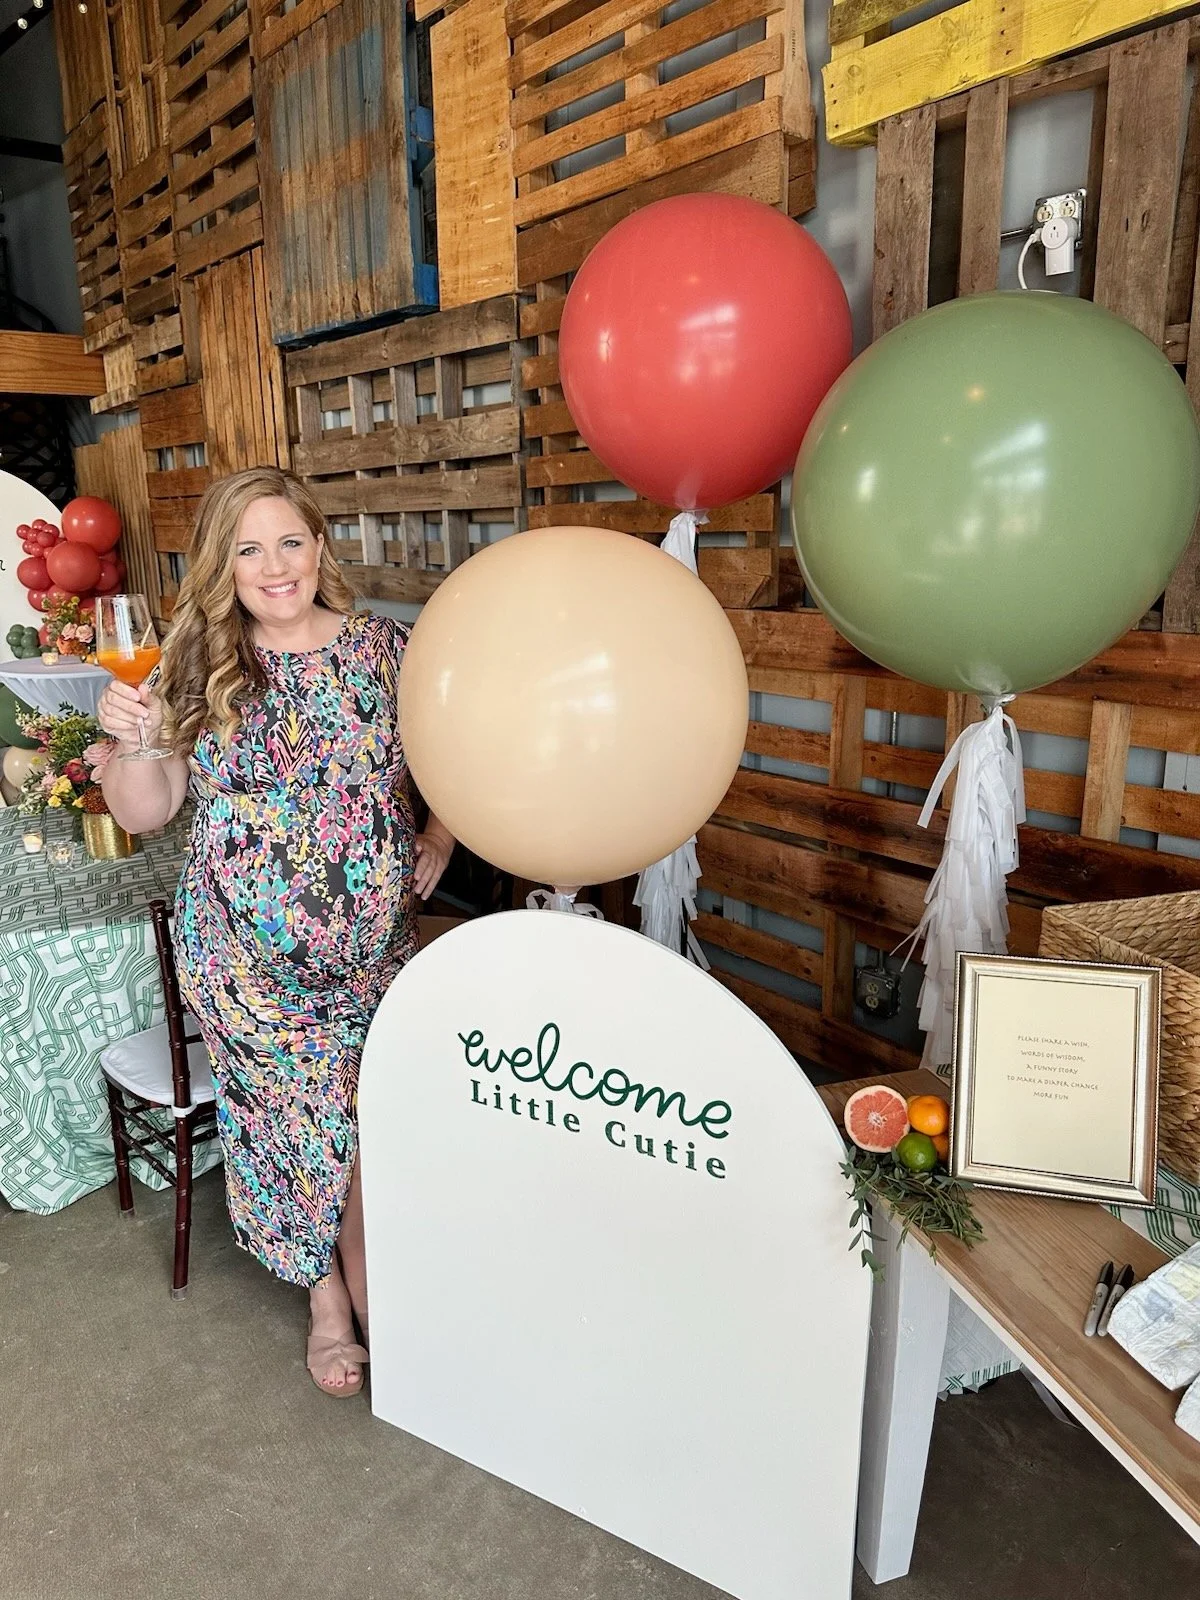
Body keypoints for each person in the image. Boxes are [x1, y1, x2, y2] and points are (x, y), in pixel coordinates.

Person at [98, 466, 454, 1398]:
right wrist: (130, 736)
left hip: (372, 954)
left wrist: (440, 836)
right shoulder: (198, 665)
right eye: (248, 549)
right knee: (295, 1125)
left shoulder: (389, 649)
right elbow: (146, 812)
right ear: (225, 565)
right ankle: (333, 1300)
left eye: (288, 541)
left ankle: (374, 1288)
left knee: (369, 1116)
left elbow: (458, 752)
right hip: (242, 963)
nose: (274, 565)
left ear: (319, 545)